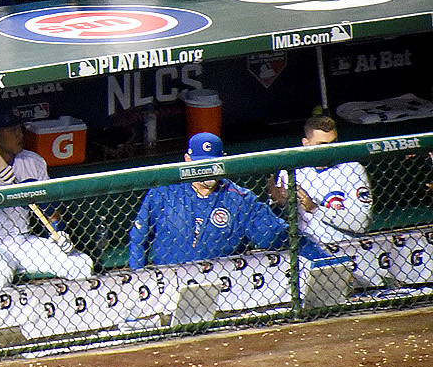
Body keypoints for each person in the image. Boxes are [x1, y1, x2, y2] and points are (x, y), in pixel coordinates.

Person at [0, 110, 93, 291]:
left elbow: (51, 208)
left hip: (23, 242)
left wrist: (58, 232)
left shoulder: (32, 161)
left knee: (81, 263)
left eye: (20, 128)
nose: (19, 134)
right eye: (12, 129)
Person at [128, 134, 288, 268]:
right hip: (171, 281)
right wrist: (139, 276)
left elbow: (272, 237)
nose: (208, 170)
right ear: (187, 160)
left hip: (224, 282)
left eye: (213, 163)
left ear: (224, 160)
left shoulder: (240, 199)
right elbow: (138, 238)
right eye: (202, 164)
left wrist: (283, 207)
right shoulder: (163, 193)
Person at [269, 112, 372, 268]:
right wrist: (280, 205)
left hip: (349, 253)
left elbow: (361, 223)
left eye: (333, 143)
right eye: (321, 145)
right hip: (307, 254)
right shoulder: (290, 172)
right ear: (306, 143)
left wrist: (315, 209)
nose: (328, 150)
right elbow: (280, 226)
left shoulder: (351, 169)